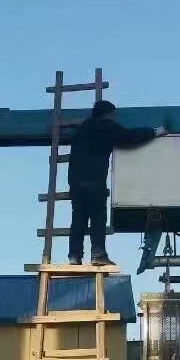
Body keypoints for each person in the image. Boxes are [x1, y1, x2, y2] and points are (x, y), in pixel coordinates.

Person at [66, 101, 162, 267]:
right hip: (94, 181)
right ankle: (98, 255)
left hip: (75, 181)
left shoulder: (84, 127)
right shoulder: (108, 127)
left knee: (78, 218)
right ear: (108, 114)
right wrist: (155, 132)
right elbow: (130, 136)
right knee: (98, 217)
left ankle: (74, 256)